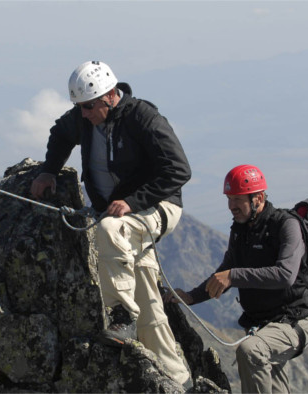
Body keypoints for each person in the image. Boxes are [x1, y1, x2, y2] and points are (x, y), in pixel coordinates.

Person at [30, 61, 192, 386]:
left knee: (109, 230)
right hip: (123, 216)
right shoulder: (85, 118)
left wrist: (133, 202)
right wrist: (48, 170)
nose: (84, 114)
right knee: (148, 304)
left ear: (108, 96)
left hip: (157, 208)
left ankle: (120, 318)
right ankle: (180, 382)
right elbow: (60, 135)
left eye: (88, 107)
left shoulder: (143, 118)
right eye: (79, 108)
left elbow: (179, 170)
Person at [164, 164, 308, 393]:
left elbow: (285, 275)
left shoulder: (286, 225)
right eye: (229, 199)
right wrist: (191, 297)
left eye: (237, 200)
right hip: (265, 323)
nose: (231, 206)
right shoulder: (240, 229)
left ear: (259, 198)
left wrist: (234, 276)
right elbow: (225, 272)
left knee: (250, 351)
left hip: (294, 320)